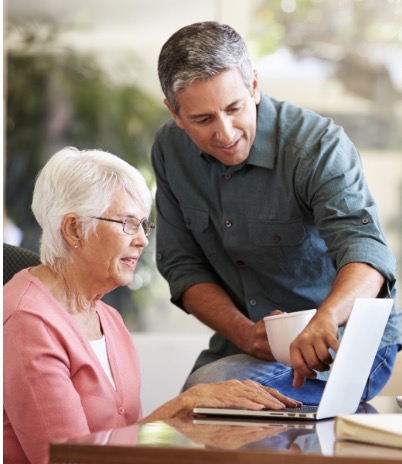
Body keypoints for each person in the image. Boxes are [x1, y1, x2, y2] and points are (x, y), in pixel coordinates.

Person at [152, 21, 402, 402]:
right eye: (202, 120)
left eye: (234, 108)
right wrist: (242, 332)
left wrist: (325, 318)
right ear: (175, 112)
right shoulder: (170, 150)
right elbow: (182, 267)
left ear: (254, 85)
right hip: (241, 346)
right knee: (199, 403)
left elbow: (366, 254)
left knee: (206, 395)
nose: (225, 132)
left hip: (347, 341)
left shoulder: (317, 145)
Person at [3, 147, 301, 464]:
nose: (143, 241)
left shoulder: (109, 319)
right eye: (129, 223)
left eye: (144, 225)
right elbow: (67, 460)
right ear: (74, 229)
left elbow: (126, 438)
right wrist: (178, 408)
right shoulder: (27, 323)